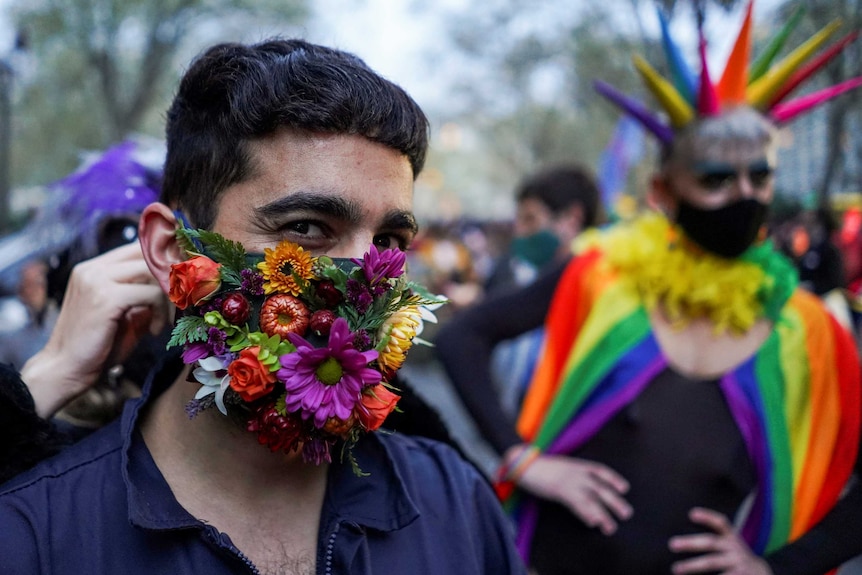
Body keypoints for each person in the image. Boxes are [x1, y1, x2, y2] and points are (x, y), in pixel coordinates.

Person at [0, 38, 524, 574]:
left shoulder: (456, 507)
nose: (368, 281)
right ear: (170, 249)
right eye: (306, 227)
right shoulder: (35, 534)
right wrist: (40, 384)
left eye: (390, 240)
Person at [436, 7, 862, 575]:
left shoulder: (806, 330)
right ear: (664, 190)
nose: (745, 194)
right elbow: (464, 335)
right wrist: (523, 459)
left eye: (759, 177)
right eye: (716, 178)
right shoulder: (604, 274)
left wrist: (781, 567)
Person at [484, 165, 602, 295]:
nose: (519, 231)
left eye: (530, 219)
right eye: (518, 220)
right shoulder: (516, 276)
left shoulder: (594, 288)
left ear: (572, 219)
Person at [0, 258, 57, 368]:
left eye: (37, 284)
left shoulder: (62, 319)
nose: (30, 292)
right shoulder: (13, 332)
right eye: (26, 286)